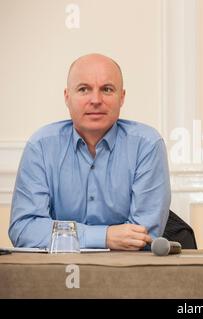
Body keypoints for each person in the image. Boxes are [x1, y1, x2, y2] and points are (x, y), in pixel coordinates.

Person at [9, 53, 171, 250]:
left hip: (126, 273)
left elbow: (141, 237)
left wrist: (64, 236)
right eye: (84, 89)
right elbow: (24, 229)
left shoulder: (147, 145)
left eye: (107, 89)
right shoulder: (41, 146)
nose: (96, 100)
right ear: (67, 97)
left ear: (122, 97)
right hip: (55, 273)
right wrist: (104, 237)